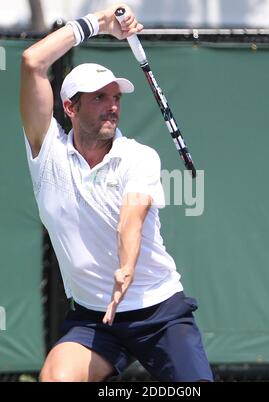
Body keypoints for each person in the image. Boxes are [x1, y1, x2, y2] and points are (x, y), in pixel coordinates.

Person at [20, 3, 213, 382]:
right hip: (95, 318)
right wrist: (99, 24)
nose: (112, 107)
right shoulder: (47, 154)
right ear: (69, 107)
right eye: (99, 98)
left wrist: (125, 267)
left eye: (116, 98)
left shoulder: (138, 157)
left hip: (158, 311)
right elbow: (31, 61)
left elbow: (132, 217)